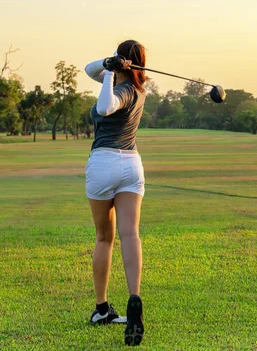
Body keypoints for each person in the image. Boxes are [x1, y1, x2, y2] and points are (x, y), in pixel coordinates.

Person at [84, 40, 147, 346]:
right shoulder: (138, 88)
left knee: (104, 238)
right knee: (131, 234)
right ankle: (134, 297)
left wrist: (110, 72)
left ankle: (101, 309)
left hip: (104, 162)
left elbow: (103, 107)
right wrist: (109, 64)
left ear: (125, 61)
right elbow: (88, 69)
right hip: (131, 165)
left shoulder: (122, 90)